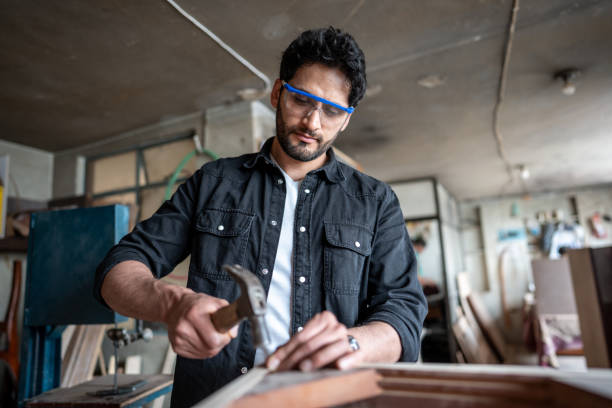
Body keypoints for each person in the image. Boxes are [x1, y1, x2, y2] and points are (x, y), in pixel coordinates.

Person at [95, 26, 427, 407]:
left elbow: (403, 313)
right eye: (302, 100)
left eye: (333, 111)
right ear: (277, 92)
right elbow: (116, 269)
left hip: (329, 399)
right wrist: (171, 305)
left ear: (347, 118)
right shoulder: (214, 182)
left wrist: (354, 343)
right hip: (216, 398)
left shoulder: (376, 201)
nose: (313, 124)